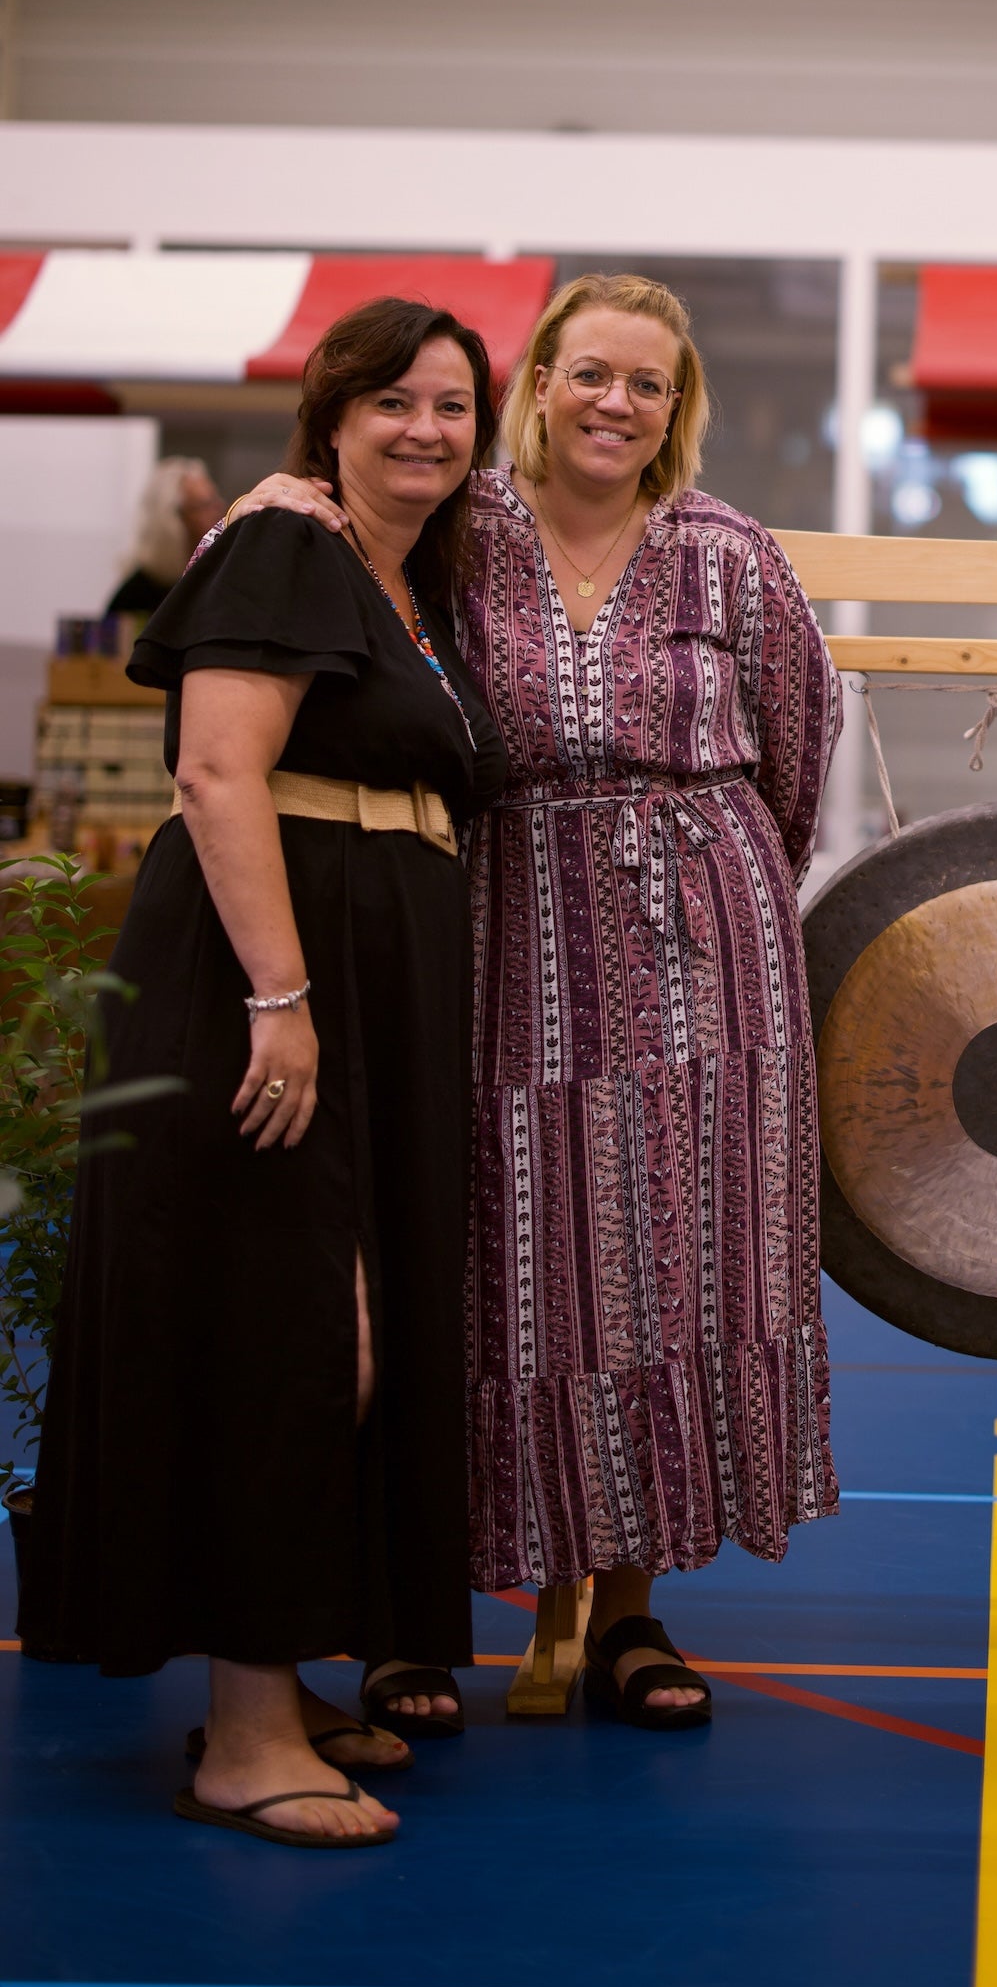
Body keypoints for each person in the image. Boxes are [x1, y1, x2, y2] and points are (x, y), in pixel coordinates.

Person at [234, 273, 841, 1725]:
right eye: (589, 373)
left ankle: (632, 1609)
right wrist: (281, 495)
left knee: (676, 1259)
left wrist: (722, 880)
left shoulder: (730, 552)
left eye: (647, 380)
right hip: (505, 920)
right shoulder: (461, 527)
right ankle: (417, 1611)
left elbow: (802, 741)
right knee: (496, 1257)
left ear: (676, 404)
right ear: (542, 383)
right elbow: (320, 592)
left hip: (708, 935)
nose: (615, 402)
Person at [28, 302, 507, 1846]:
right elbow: (218, 768)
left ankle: (280, 1678)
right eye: (395, 402)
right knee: (290, 1319)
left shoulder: (398, 576)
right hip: (275, 976)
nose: (428, 427)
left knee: (344, 1310)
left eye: (454, 404)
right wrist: (281, 997)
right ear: (332, 411)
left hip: (370, 980)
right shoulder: (287, 542)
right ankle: (241, 1733)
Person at [105, 456, 224, 617]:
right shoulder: (136, 596)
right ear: (173, 520)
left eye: (215, 501)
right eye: (204, 505)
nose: (218, 512)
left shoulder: (215, 577)